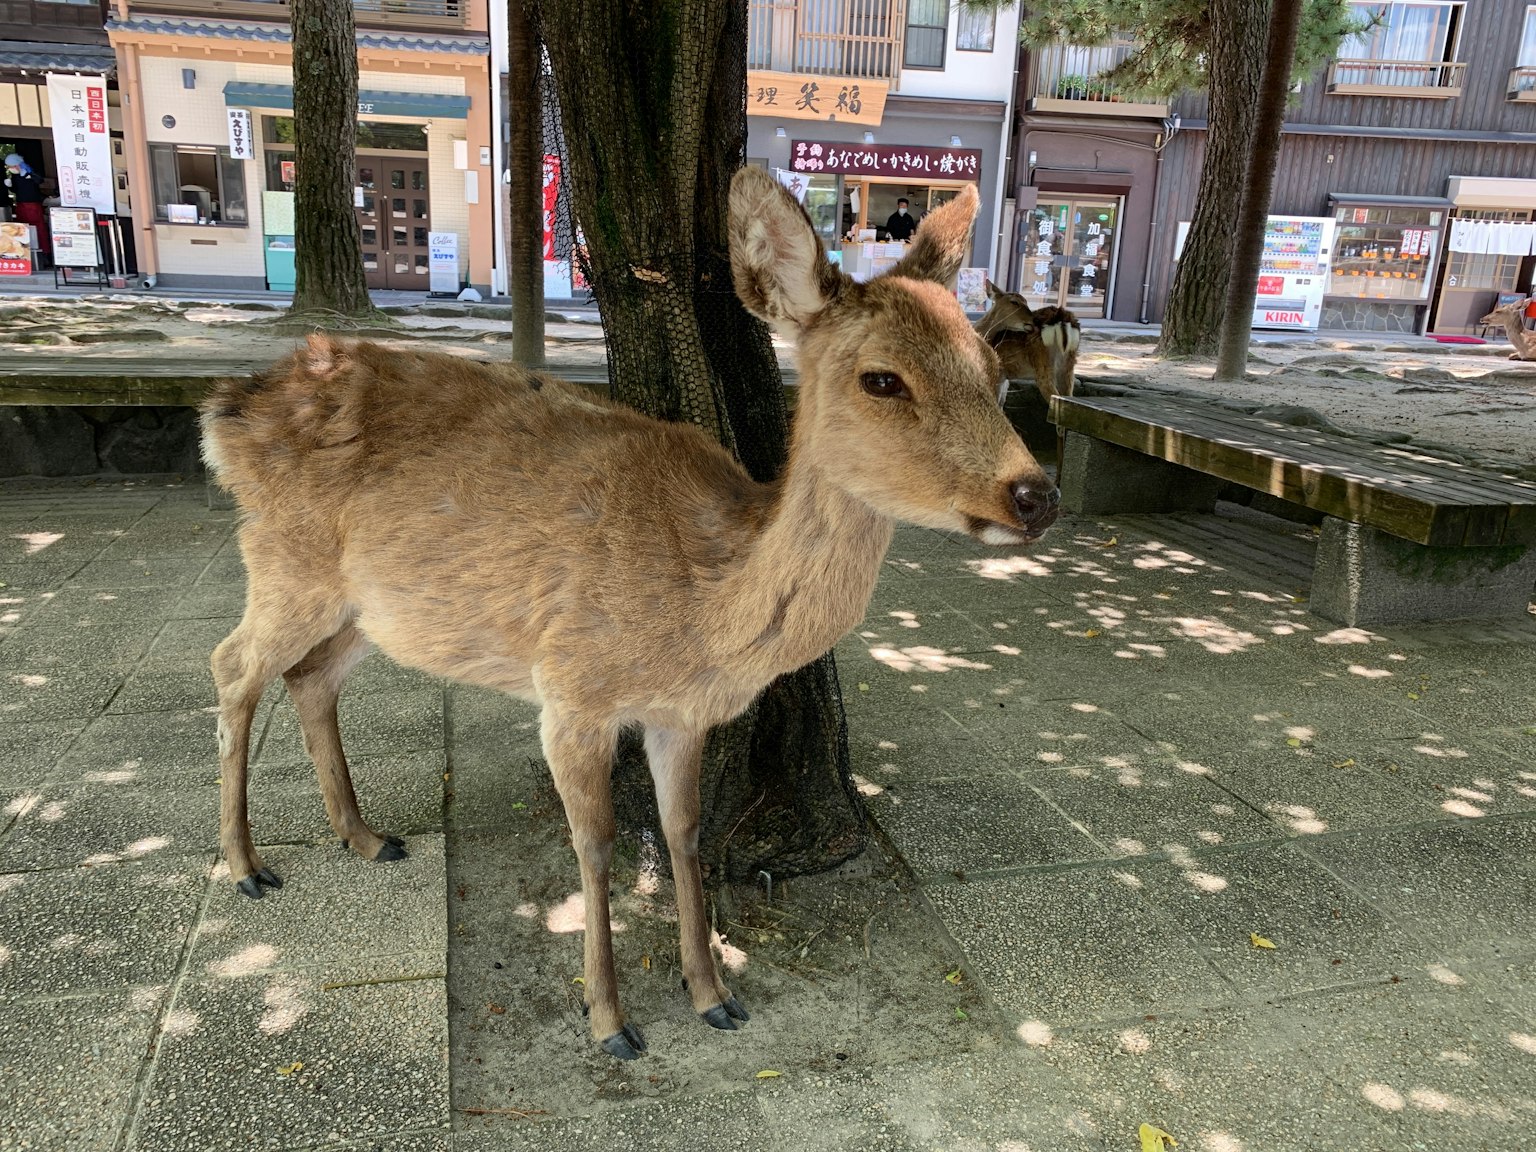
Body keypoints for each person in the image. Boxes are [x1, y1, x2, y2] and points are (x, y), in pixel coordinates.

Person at [4, 154, 49, 258]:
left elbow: (40, 180)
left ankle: (44, 252)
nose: (10, 168)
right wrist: (10, 186)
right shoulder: (15, 176)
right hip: (20, 204)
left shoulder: (30, 171)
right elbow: (16, 190)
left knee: (37, 228)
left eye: (11, 166)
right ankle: (25, 252)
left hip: (33, 204)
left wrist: (31, 176)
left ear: (17, 165)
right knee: (22, 228)